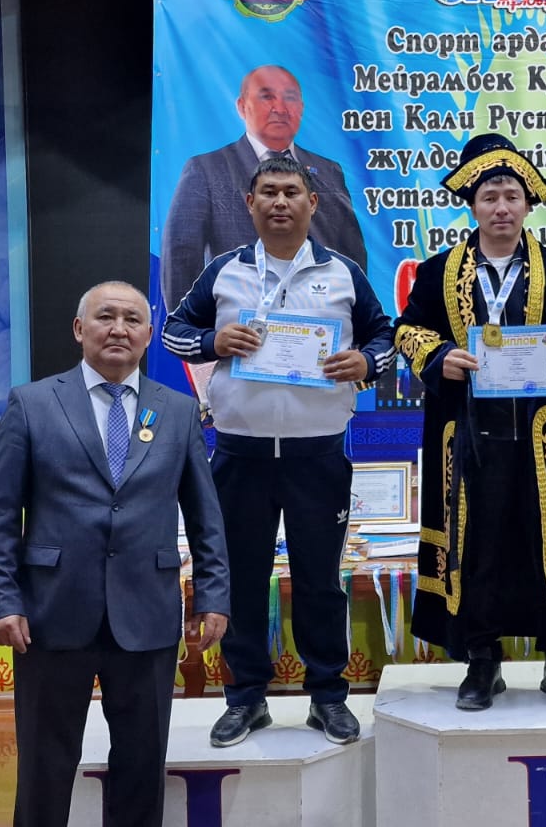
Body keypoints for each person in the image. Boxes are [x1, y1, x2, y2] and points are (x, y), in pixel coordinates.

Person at [0, 282, 229, 827]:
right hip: (51, 612)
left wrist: (214, 596)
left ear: (148, 334)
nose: (119, 328)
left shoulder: (178, 410)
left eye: (133, 318)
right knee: (46, 761)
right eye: (106, 317)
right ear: (79, 328)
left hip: (147, 612)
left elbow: (206, 515)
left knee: (141, 758)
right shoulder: (32, 404)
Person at [163, 154, 394, 748]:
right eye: (268, 192)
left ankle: (328, 696)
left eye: (292, 192)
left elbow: (385, 337)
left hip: (318, 456)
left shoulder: (342, 273)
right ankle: (244, 699)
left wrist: (365, 361)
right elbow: (172, 331)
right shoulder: (224, 272)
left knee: (321, 581)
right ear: (250, 204)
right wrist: (212, 340)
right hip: (239, 455)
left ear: (312, 204)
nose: (280, 202)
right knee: (242, 580)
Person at [395, 132, 546, 711]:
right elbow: (407, 330)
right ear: (472, 205)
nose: (501, 207)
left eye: (511, 196)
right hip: (467, 433)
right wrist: (438, 356)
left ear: (527, 204)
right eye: (490, 196)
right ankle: (481, 659)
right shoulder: (437, 272)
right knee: (477, 544)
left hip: (544, 436)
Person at [161, 64, 367, 307]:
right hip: (237, 319)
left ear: (301, 108)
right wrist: (191, 325)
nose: (280, 108)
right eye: (267, 97)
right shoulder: (207, 170)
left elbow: (352, 255)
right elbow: (181, 256)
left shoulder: (329, 171)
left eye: (290, 98)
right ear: (242, 106)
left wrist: (351, 317)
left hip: (317, 318)